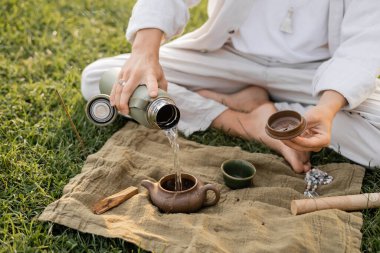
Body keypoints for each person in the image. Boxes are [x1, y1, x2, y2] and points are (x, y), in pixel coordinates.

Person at [81, 0, 380, 173]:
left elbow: (364, 43)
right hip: (227, 56)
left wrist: (327, 110)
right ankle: (250, 120)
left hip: (314, 74)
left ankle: (270, 111)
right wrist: (144, 52)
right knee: (101, 78)